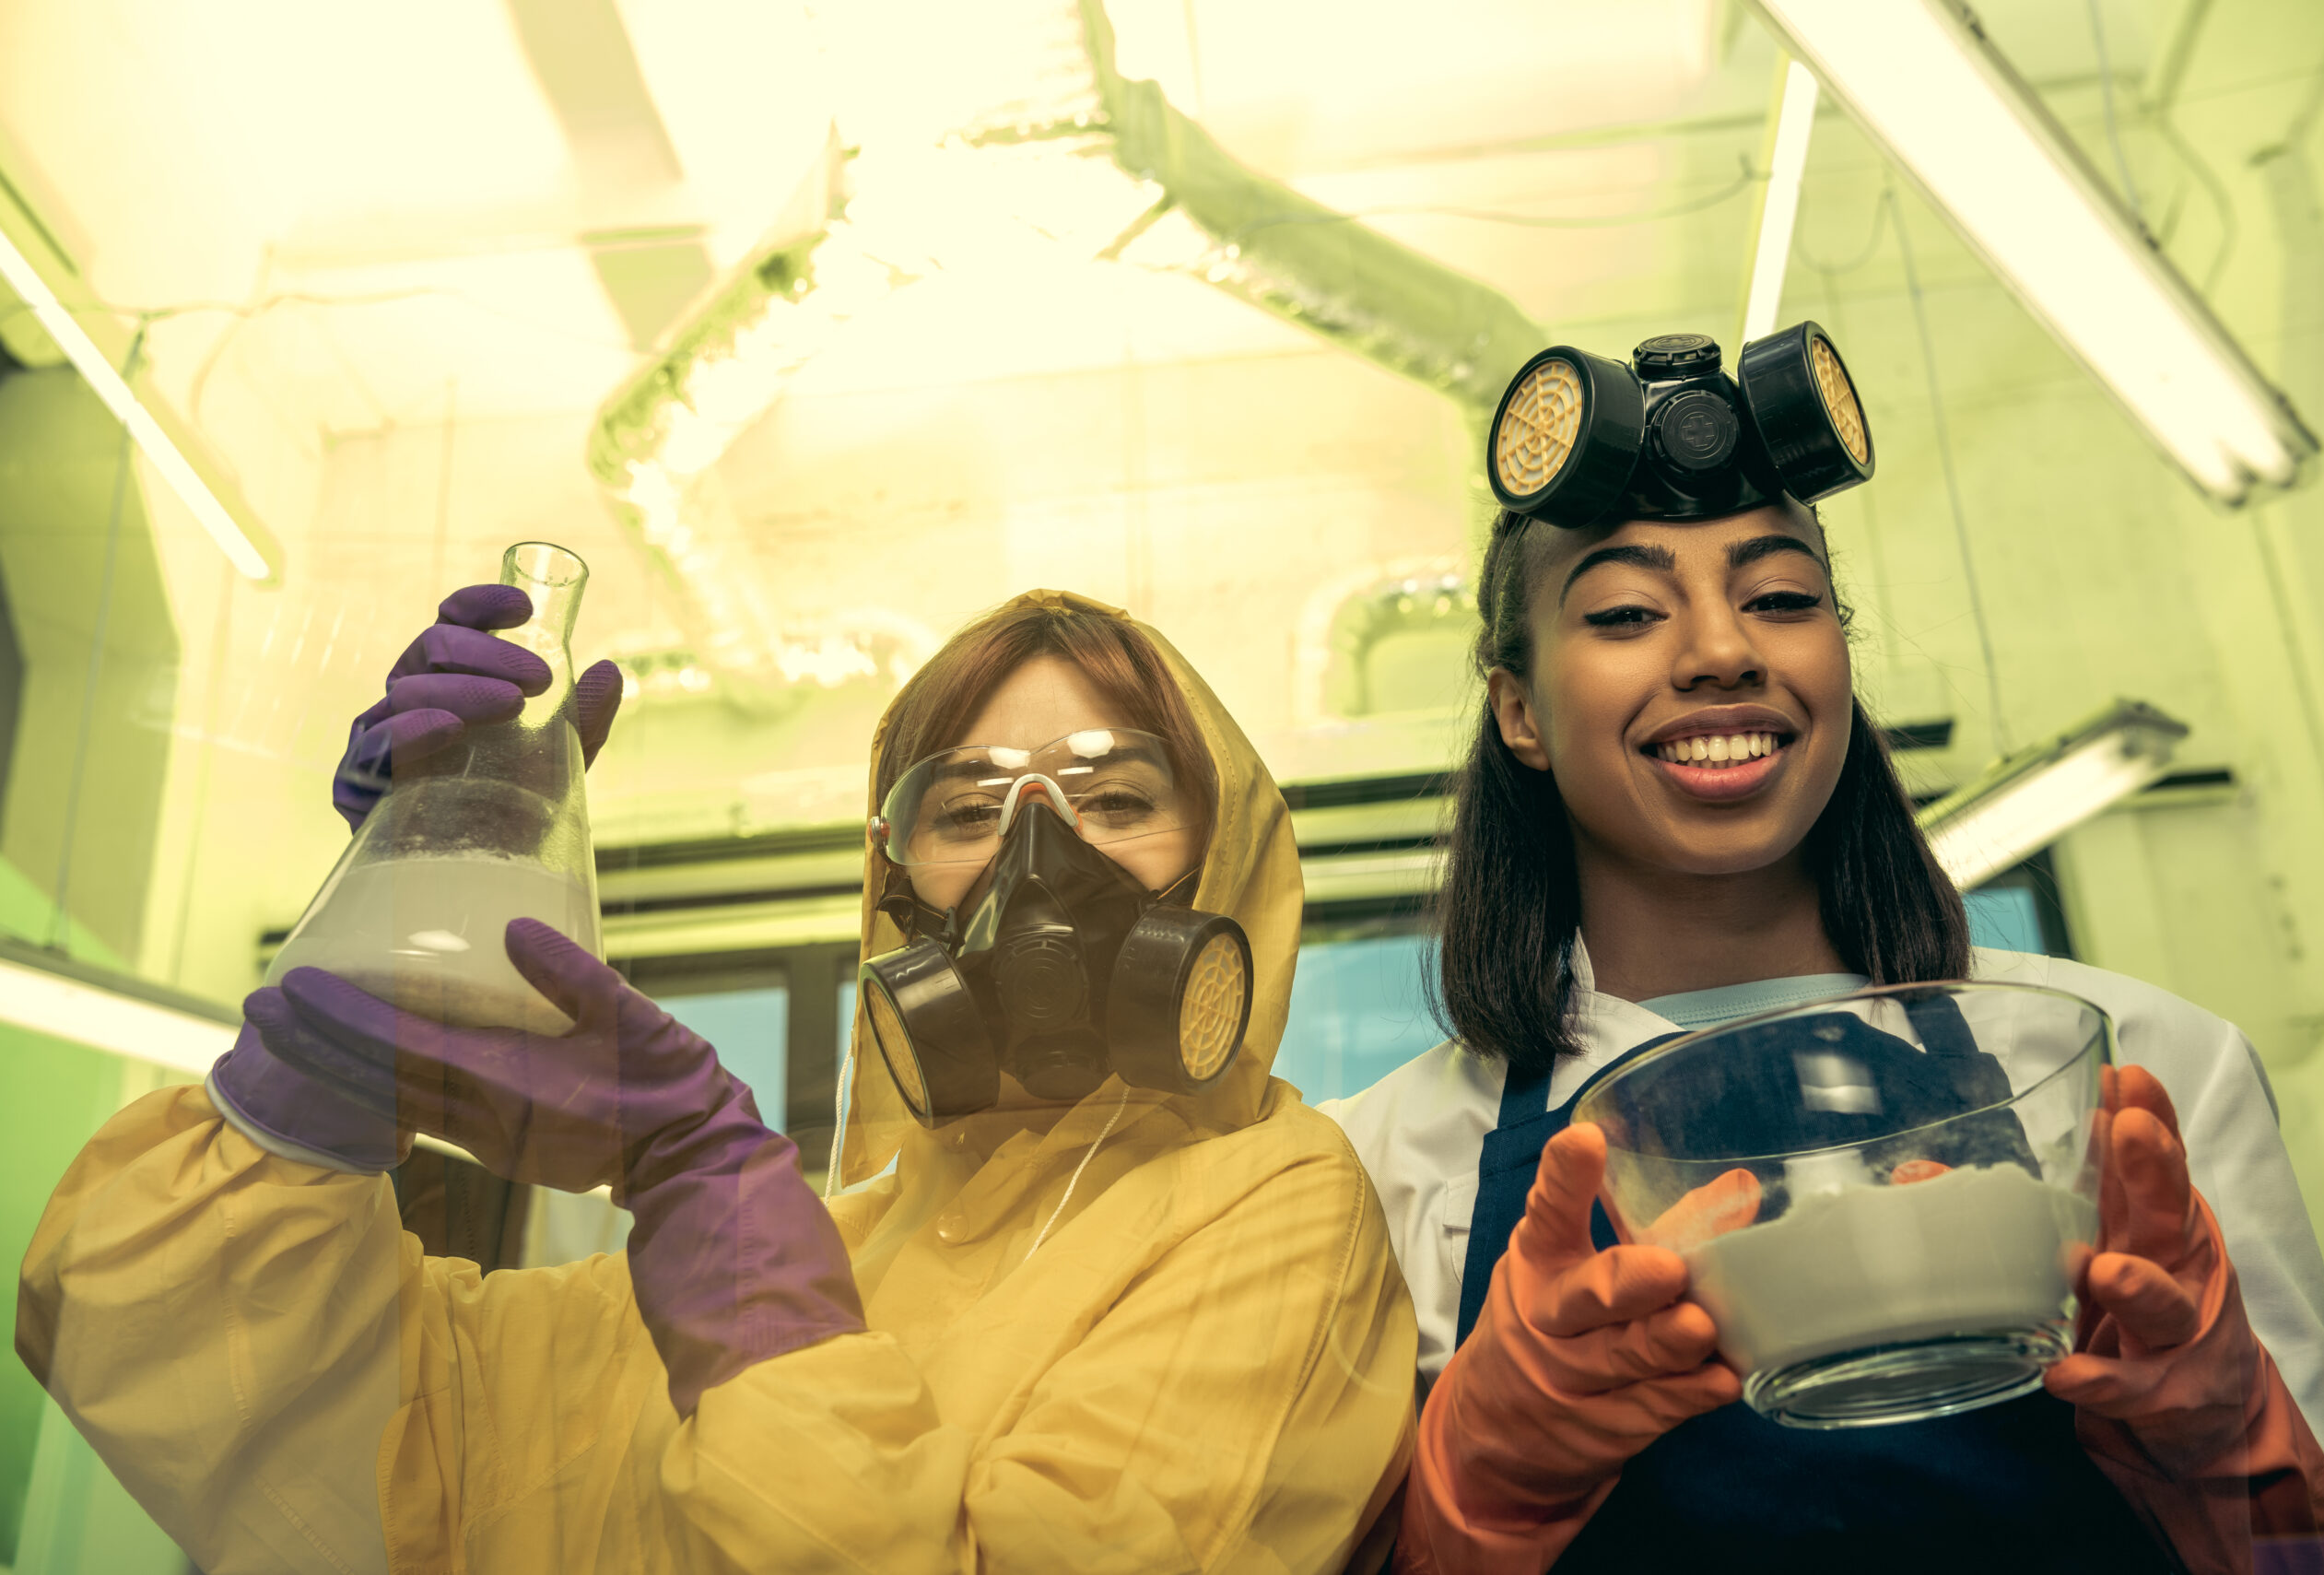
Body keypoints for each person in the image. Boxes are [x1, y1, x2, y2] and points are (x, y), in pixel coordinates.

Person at [18, 587, 1416, 1574]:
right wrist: (379, 936)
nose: (1034, 866)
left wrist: (717, 1208)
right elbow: (340, 1416)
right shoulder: (835, 1243)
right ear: (894, 886)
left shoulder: (1273, 1201)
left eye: (1116, 799)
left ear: (1219, 857)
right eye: (969, 813)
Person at [1328, 326, 2324, 1572]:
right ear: (1518, 710)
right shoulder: (1385, 1167)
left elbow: (2316, 1556)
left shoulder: (2146, 1068)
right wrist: (1476, 1494)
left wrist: (2227, 1440)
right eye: (1625, 610)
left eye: (1780, 596)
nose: (1721, 650)